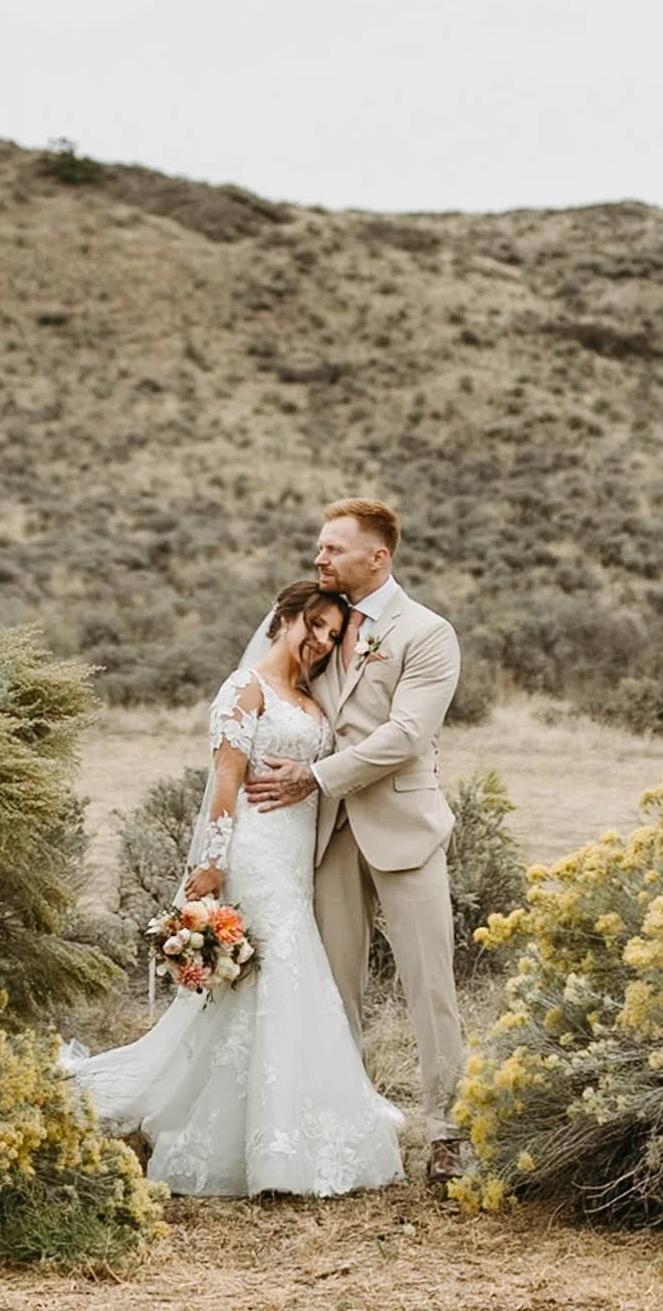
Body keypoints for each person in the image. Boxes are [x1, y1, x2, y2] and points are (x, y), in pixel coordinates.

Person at [68, 580, 404, 1197]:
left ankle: (288, 1116)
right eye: (317, 627)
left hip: (296, 854)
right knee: (272, 968)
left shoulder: (310, 699)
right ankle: (262, 1142)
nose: (323, 642)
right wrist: (214, 864)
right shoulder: (244, 688)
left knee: (284, 971)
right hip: (253, 851)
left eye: (334, 634)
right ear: (286, 617)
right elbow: (225, 780)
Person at [241, 499, 467, 1183]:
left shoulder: (428, 634)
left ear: (379, 557)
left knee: (430, 987)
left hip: (404, 829)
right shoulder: (317, 621)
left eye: (333, 549)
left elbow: (404, 736)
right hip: (328, 837)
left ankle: (446, 1133)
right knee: (334, 989)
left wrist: (314, 776)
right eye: (318, 548)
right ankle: (348, 1126)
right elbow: (269, 691)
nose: (319, 558)